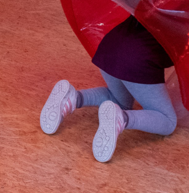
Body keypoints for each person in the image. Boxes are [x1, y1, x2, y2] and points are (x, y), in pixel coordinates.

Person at [39, 15, 178, 162]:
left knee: (118, 100)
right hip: (137, 60)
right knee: (167, 120)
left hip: (110, 46)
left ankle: (74, 97)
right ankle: (122, 119)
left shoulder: (157, 1)